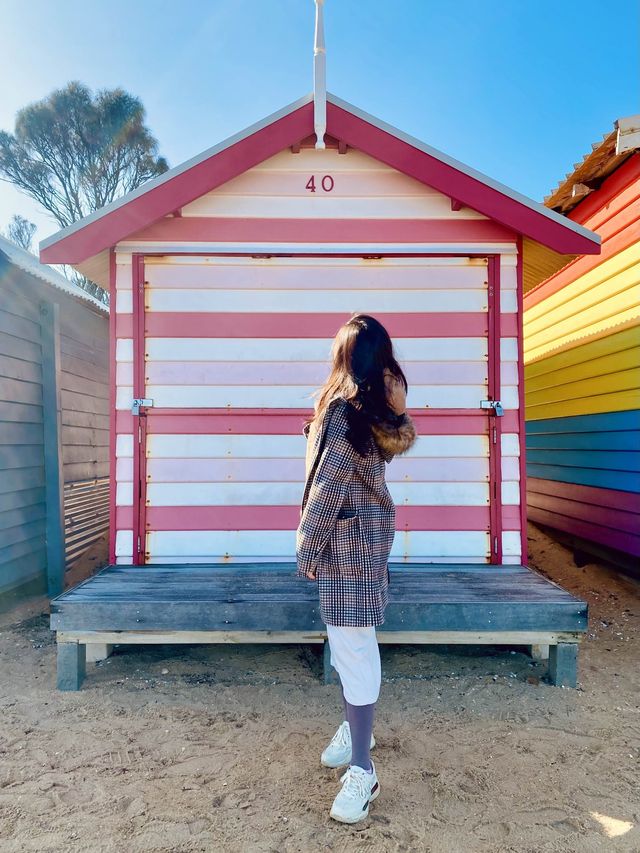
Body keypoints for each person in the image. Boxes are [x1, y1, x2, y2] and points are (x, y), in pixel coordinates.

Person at [295, 313, 417, 824]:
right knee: (352, 643)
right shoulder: (372, 411)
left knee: (354, 645)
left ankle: (363, 767)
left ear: (344, 356)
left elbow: (328, 484)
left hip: (346, 544)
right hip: (366, 538)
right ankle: (354, 727)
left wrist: (307, 543)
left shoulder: (345, 412)